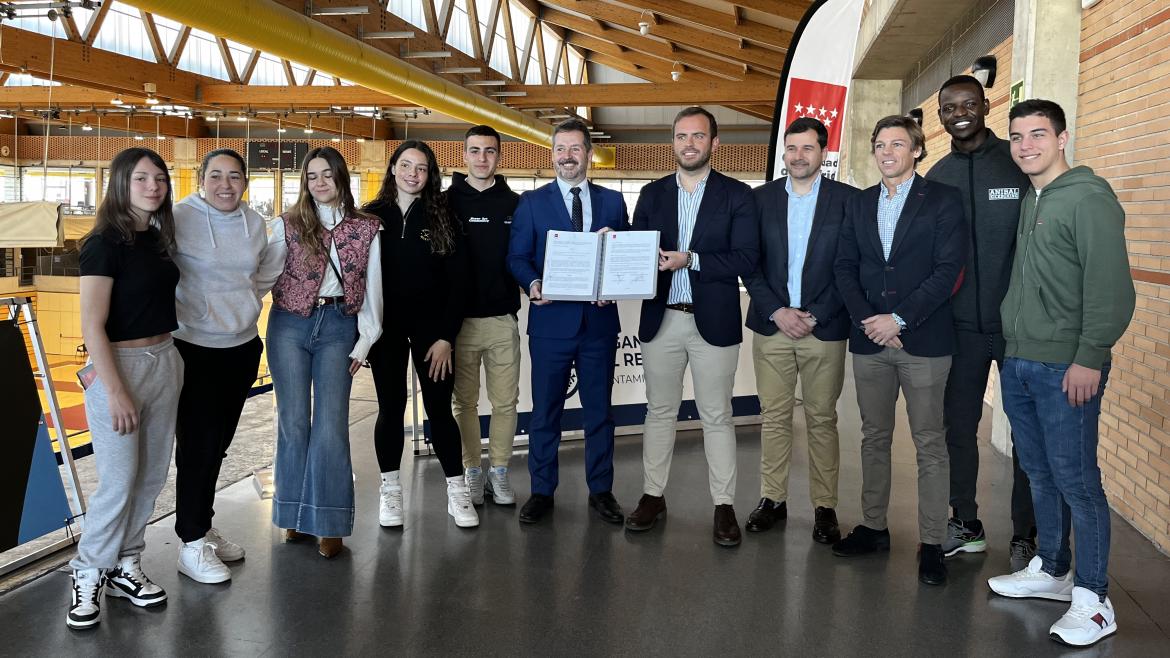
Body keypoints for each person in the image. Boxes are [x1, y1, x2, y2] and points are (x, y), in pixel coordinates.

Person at [987, 99, 1134, 647]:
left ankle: (1095, 601)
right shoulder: (1034, 197)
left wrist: (1089, 355)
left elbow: (1111, 289)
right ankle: (1052, 569)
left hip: (1066, 365)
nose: (1026, 146)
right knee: (1040, 473)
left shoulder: (1090, 198)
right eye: (1018, 136)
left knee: (1077, 480)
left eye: (1038, 134)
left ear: (1063, 137)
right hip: (1022, 358)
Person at [831, 115, 966, 586]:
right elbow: (844, 267)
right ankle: (873, 527)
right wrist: (873, 323)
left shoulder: (943, 201)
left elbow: (948, 271)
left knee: (930, 442)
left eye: (897, 144)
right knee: (873, 437)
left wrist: (899, 320)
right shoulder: (859, 203)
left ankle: (932, 543)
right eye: (880, 145)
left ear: (917, 150)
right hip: (870, 341)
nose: (887, 152)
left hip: (924, 342)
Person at [624, 106, 759, 547]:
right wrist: (617, 254)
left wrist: (692, 260)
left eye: (698, 136)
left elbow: (746, 258)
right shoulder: (651, 194)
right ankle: (652, 496)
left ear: (714, 144)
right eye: (682, 136)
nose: (689, 144)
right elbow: (637, 251)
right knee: (659, 411)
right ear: (673, 142)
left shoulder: (738, 195)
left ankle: (723, 506)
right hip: (662, 319)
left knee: (717, 415)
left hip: (713, 322)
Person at [69, 147, 183, 629]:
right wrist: (115, 390)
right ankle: (87, 571)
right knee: (117, 480)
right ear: (120, 184)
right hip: (121, 366)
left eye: (159, 179)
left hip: (166, 361)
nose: (153, 187)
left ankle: (125, 564)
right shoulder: (103, 244)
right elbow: (93, 325)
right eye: (141, 179)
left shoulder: (157, 239)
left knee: (152, 475)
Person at [925, 75, 1037, 566]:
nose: (960, 113)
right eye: (950, 108)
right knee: (958, 431)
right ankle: (966, 523)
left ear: (986, 105)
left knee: (1027, 435)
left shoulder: (1016, 166)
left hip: (1017, 329)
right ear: (940, 116)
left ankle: (1027, 535)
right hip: (961, 332)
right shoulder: (937, 177)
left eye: (969, 104)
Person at [506, 118, 629, 524]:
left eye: (575, 149)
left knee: (599, 414)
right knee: (545, 415)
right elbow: (517, 258)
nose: (567, 157)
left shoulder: (613, 202)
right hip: (550, 326)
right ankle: (542, 491)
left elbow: (625, 258)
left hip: (598, 325)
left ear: (589, 154)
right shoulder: (532, 203)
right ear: (552, 153)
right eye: (560, 149)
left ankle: (602, 491)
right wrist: (534, 283)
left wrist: (616, 275)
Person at [171, 148, 284, 583]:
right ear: (201, 179)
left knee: (218, 444)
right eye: (215, 176)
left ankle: (201, 522)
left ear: (245, 182)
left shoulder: (254, 223)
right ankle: (191, 541)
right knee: (197, 445)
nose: (225, 185)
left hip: (240, 347)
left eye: (234, 177)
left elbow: (260, 276)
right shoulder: (179, 217)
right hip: (192, 348)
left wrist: (238, 306)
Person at [742, 117, 854, 543]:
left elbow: (851, 266)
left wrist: (816, 313)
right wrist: (777, 311)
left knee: (822, 419)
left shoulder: (847, 200)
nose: (798, 156)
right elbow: (749, 264)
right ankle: (773, 498)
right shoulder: (760, 200)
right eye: (792, 148)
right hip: (773, 328)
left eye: (807, 148)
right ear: (783, 152)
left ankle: (825, 507)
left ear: (822, 154)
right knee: (773, 418)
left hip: (823, 329)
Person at [267, 146, 382, 558]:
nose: (319, 182)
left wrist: (366, 338)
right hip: (288, 325)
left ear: (341, 178)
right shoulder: (286, 224)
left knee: (331, 424)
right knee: (293, 421)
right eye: (312, 175)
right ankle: (295, 516)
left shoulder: (366, 229)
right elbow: (264, 273)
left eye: (327, 175)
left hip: (338, 326)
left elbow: (373, 286)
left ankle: (329, 521)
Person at [364, 140, 477, 529]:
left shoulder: (442, 215)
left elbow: (460, 283)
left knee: (440, 410)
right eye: (407, 165)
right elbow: (358, 282)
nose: (414, 173)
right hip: (386, 333)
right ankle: (391, 491)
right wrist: (364, 337)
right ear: (393, 167)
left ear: (431, 175)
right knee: (390, 410)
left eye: (422, 168)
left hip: (433, 334)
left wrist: (446, 336)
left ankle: (457, 491)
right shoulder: (371, 217)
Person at [448, 125, 522, 507]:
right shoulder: (444, 203)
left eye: (489, 151)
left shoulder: (515, 203)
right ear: (464, 155)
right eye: (474, 151)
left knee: (505, 402)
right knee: (464, 404)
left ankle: (501, 471)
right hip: (458, 325)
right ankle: (472, 472)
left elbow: (529, 257)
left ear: (499, 156)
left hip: (501, 320)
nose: (481, 158)